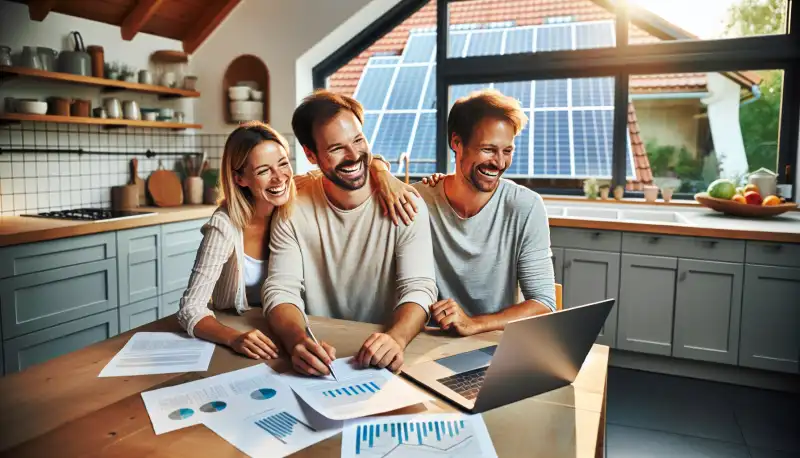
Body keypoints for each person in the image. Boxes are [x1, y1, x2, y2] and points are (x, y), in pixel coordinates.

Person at [177, 121, 419, 360]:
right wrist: (234, 338)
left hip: (288, 328)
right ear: (240, 179)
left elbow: (343, 166)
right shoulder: (224, 226)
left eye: (283, 163)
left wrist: (382, 173)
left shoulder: (295, 195)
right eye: (263, 171)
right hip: (241, 329)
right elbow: (190, 308)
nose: (278, 178)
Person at [263, 90, 437, 377]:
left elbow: (420, 288)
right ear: (310, 154)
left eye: (358, 140)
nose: (354, 155)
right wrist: (296, 340)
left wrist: (397, 338)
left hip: (385, 355)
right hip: (322, 355)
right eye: (336, 148)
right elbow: (281, 289)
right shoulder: (292, 208)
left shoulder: (407, 204)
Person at [385, 89, 556, 336]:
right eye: (488, 149)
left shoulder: (526, 206)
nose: (499, 163)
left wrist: (474, 323)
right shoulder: (418, 200)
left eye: (507, 151)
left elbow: (543, 303)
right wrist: (379, 168)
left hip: (492, 341)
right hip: (427, 339)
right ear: (457, 143)